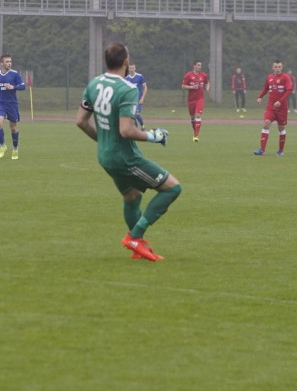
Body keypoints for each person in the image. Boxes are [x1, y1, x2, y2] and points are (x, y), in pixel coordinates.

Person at [76, 42, 181, 262]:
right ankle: (135, 236)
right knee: (172, 188)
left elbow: (81, 121)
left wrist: (104, 140)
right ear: (126, 62)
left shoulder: (94, 84)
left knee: (132, 197)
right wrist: (155, 136)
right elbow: (126, 130)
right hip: (126, 158)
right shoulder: (127, 89)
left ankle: (138, 248)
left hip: (105, 156)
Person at [0, 54, 27, 159]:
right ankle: (3, 146)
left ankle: (15, 149)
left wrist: (13, 87)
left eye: (10, 61)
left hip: (12, 104)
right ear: (1, 63)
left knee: (13, 128)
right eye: (7, 62)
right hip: (0, 103)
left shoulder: (15, 74)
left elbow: (23, 86)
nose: (9, 63)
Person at [253, 60, 293, 156]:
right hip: (270, 107)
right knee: (266, 123)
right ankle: (262, 150)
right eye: (276, 67)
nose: (277, 69)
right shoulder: (269, 77)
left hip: (282, 108)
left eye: (279, 67)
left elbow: (289, 90)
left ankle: (280, 150)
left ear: (281, 68)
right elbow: (266, 89)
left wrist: (280, 101)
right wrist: (260, 97)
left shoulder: (285, 77)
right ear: (273, 67)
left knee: (281, 128)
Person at [181, 60, 209, 141]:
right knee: (193, 118)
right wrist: (192, 87)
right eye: (198, 65)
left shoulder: (203, 75)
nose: (200, 66)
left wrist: (207, 87)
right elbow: (183, 86)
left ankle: (196, 136)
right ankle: (195, 132)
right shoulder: (188, 75)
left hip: (200, 99)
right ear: (194, 66)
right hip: (191, 100)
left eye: (200, 65)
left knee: (198, 115)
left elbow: (207, 82)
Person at [124, 63, 148, 130]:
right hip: (131, 100)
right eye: (130, 68)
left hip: (138, 99)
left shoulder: (140, 77)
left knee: (136, 114)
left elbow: (145, 87)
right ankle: (136, 129)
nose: (132, 69)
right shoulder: (126, 78)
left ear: (135, 68)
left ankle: (143, 126)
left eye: (133, 68)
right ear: (128, 69)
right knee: (132, 115)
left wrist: (142, 98)